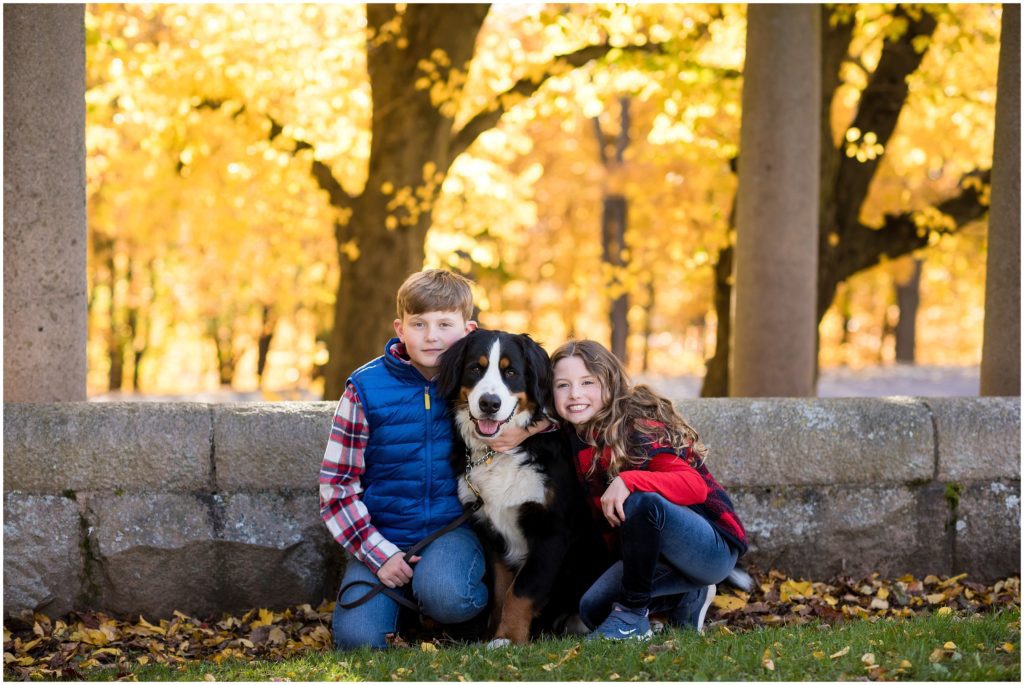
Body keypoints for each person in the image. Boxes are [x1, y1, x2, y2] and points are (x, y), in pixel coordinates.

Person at [319, 269, 542, 649]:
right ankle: (401, 601)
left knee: (448, 595)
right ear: (399, 328)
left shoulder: (477, 386)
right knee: (358, 642)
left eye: (444, 324)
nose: (432, 335)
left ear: (468, 329)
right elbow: (336, 488)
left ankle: (442, 606)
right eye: (418, 324)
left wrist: (529, 429)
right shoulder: (364, 389)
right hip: (382, 533)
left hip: (449, 533)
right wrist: (378, 554)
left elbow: (543, 398)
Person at [550, 339, 748, 641]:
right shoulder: (575, 435)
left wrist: (630, 480)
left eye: (587, 382)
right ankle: (689, 597)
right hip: (656, 555)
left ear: (610, 384)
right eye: (562, 385)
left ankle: (632, 618)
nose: (575, 394)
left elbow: (694, 487)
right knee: (593, 609)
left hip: (710, 548)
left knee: (641, 502)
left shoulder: (637, 428)